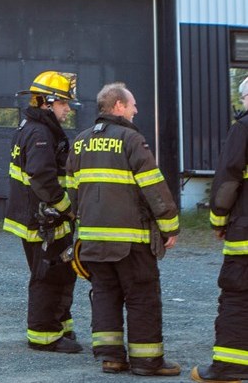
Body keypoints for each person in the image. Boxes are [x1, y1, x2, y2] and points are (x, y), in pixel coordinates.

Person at [69, 82, 180, 376]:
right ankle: (147, 361)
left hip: (93, 240)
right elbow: (153, 187)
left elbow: (72, 191)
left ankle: (111, 357)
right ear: (118, 106)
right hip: (130, 241)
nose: (136, 110)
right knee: (142, 296)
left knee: (105, 293)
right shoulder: (131, 140)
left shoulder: (79, 142)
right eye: (132, 105)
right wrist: (170, 226)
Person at [4, 70, 81, 353]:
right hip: (42, 219)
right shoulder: (39, 132)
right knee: (48, 276)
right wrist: (68, 209)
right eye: (64, 103)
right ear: (48, 102)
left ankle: (61, 325)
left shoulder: (31, 127)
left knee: (61, 271)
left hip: (39, 217)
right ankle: (44, 335)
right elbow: (43, 178)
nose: (68, 109)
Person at [191, 78, 248, 383]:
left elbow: (228, 177)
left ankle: (230, 366)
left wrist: (218, 219)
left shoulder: (244, 127)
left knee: (238, 295)